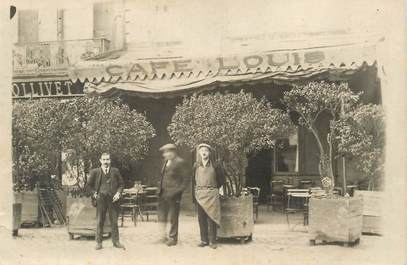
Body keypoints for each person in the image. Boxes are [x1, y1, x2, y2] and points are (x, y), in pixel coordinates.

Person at [86, 152, 125, 250]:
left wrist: (118, 194)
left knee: (114, 221)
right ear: (100, 161)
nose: (105, 162)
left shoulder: (115, 171)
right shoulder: (95, 172)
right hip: (101, 199)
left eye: (107, 159)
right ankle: (99, 243)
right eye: (103, 160)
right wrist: (94, 194)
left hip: (113, 200)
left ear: (110, 161)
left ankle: (116, 242)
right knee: (100, 221)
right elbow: (88, 185)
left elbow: (121, 184)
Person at [192, 143, 225, 249]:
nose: (204, 152)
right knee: (201, 218)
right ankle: (204, 240)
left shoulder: (216, 165)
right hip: (200, 195)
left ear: (209, 153)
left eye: (206, 150)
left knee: (212, 218)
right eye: (202, 151)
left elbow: (221, 180)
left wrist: (213, 189)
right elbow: (193, 180)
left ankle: (213, 241)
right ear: (199, 153)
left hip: (212, 195)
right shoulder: (196, 165)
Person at [158, 143, 189, 246]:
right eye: (164, 153)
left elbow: (185, 181)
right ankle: (163, 236)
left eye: (166, 152)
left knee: (173, 217)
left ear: (172, 152)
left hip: (174, 195)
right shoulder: (166, 162)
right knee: (162, 216)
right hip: (163, 194)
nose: (164, 155)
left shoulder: (180, 162)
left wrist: (176, 192)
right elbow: (163, 177)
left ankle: (173, 238)